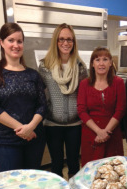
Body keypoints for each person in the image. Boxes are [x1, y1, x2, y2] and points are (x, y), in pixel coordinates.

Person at [0, 23, 47, 172]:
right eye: (11, 40)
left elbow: (42, 105)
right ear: (1, 43)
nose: (16, 45)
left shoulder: (33, 74)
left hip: (35, 139)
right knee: (11, 187)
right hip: (6, 142)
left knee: (32, 184)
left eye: (19, 41)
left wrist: (30, 128)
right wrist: (22, 129)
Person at [39, 23, 88, 179]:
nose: (65, 43)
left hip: (75, 124)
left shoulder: (80, 67)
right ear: (56, 41)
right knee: (56, 163)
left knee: (74, 162)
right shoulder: (45, 66)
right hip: (52, 124)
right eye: (61, 39)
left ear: (73, 42)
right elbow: (39, 95)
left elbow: (85, 95)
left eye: (69, 39)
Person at [77, 47, 126, 167]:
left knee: (113, 173)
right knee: (91, 173)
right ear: (92, 64)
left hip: (112, 135)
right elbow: (81, 110)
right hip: (91, 135)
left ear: (110, 63)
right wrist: (99, 132)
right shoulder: (84, 84)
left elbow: (120, 109)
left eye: (105, 59)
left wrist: (105, 132)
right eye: (97, 60)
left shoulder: (118, 83)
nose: (101, 63)